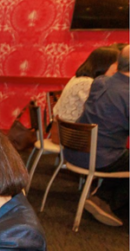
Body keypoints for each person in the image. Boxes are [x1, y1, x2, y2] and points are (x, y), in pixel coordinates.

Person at [73, 45, 130, 226]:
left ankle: (101, 198)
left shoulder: (100, 82)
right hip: (99, 158)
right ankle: (110, 204)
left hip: (75, 150)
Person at [53, 46, 119, 123]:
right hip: (71, 131)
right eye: (117, 64)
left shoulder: (83, 79)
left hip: (73, 128)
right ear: (105, 64)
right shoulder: (85, 82)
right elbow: (99, 110)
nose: (119, 68)